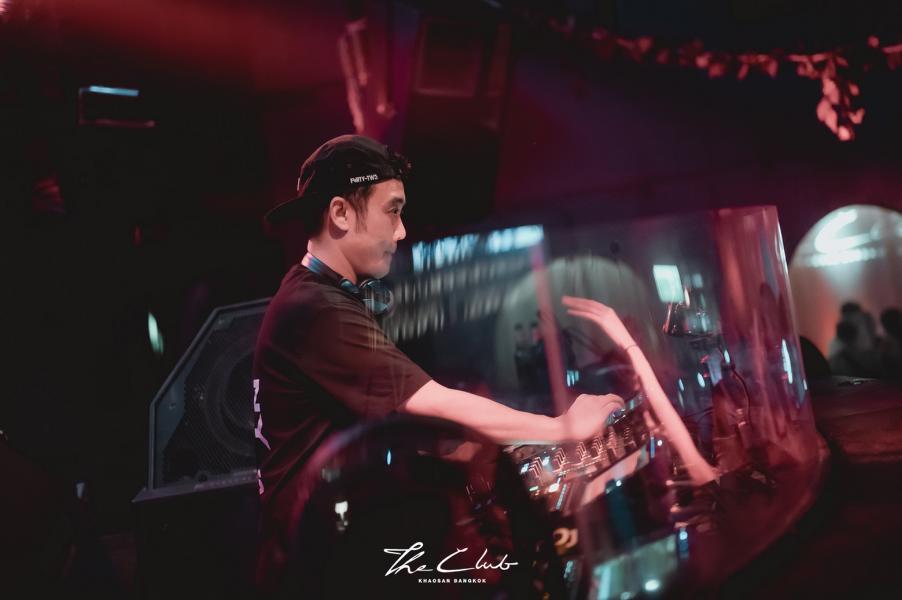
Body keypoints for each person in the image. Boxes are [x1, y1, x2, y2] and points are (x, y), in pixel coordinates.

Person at [252, 134, 624, 594]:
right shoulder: (315, 309)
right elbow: (431, 401)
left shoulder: (317, 297)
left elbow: (365, 431)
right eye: (392, 211)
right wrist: (563, 429)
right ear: (341, 213)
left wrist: (452, 456)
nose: (401, 231)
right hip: (313, 573)